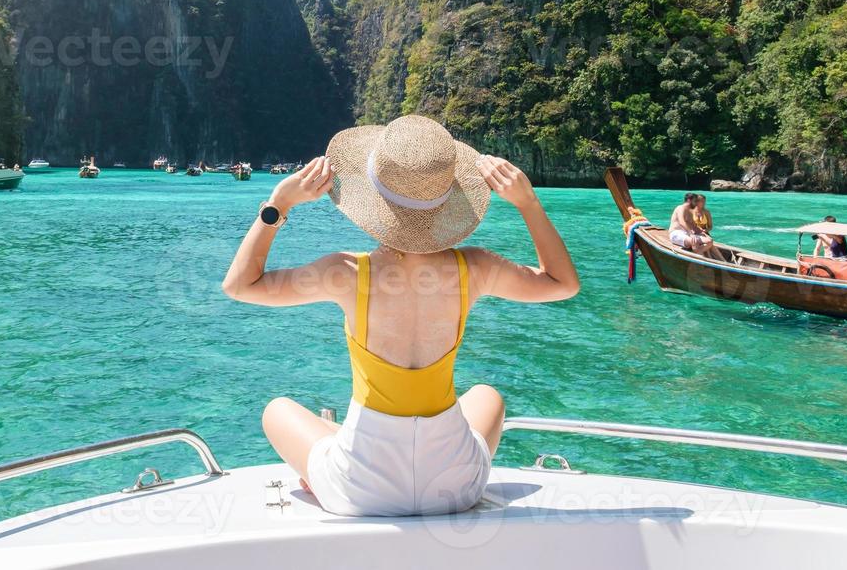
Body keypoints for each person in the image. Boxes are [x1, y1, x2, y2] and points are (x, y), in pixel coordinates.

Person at [221, 115, 579, 517]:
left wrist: (279, 204)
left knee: (278, 410)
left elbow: (239, 285)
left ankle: (335, 459)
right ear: (448, 199)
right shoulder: (474, 269)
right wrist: (528, 204)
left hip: (361, 490)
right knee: (487, 396)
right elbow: (562, 283)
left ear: (371, 199)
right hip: (454, 488)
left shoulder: (345, 274)